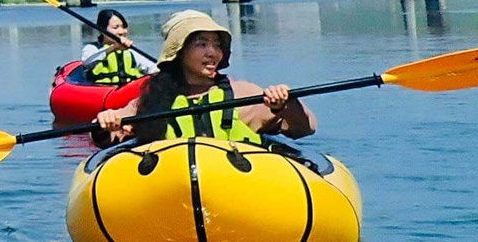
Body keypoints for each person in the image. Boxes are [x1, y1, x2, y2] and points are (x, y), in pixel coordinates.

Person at [95, 10, 314, 143]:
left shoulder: (243, 94)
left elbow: (304, 129)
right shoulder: (152, 101)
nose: (213, 52)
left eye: (217, 45)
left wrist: (285, 104)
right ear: (179, 51)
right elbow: (109, 137)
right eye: (201, 44)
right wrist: (105, 122)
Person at [79, 8, 148, 85]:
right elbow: (87, 63)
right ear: (102, 30)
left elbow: (151, 68)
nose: (121, 32)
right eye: (115, 27)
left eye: (124, 27)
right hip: (99, 91)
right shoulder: (91, 48)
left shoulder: (130, 51)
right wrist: (114, 48)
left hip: (128, 91)